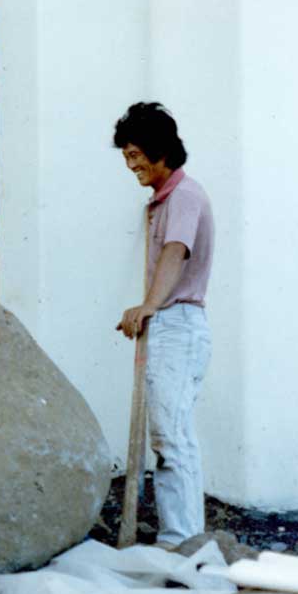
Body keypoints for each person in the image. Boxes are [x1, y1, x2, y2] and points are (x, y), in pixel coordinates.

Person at [113, 101, 214, 547]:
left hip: (180, 323)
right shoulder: (163, 200)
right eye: (127, 157)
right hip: (168, 324)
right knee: (167, 436)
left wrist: (149, 305)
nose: (131, 165)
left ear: (160, 151)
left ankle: (183, 540)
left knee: (173, 437)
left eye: (136, 155)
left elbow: (176, 252)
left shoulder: (186, 196)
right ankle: (178, 537)